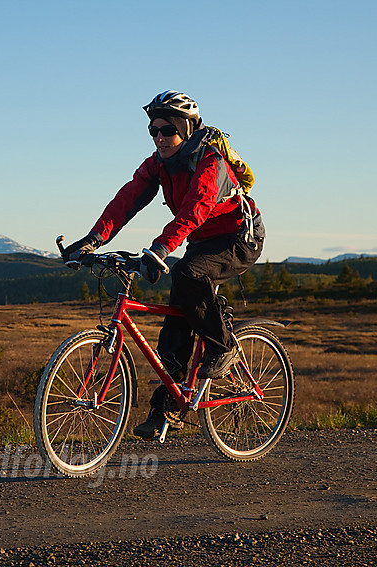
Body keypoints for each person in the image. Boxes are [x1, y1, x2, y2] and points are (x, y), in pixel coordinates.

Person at [62, 90, 265, 439]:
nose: (158, 137)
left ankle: (224, 346)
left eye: (166, 130)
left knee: (188, 274)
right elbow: (127, 199)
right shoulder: (157, 163)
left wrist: (161, 248)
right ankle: (166, 408)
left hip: (237, 237)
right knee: (176, 320)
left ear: (185, 129)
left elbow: (197, 207)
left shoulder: (210, 161)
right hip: (202, 239)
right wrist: (93, 239)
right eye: (152, 130)